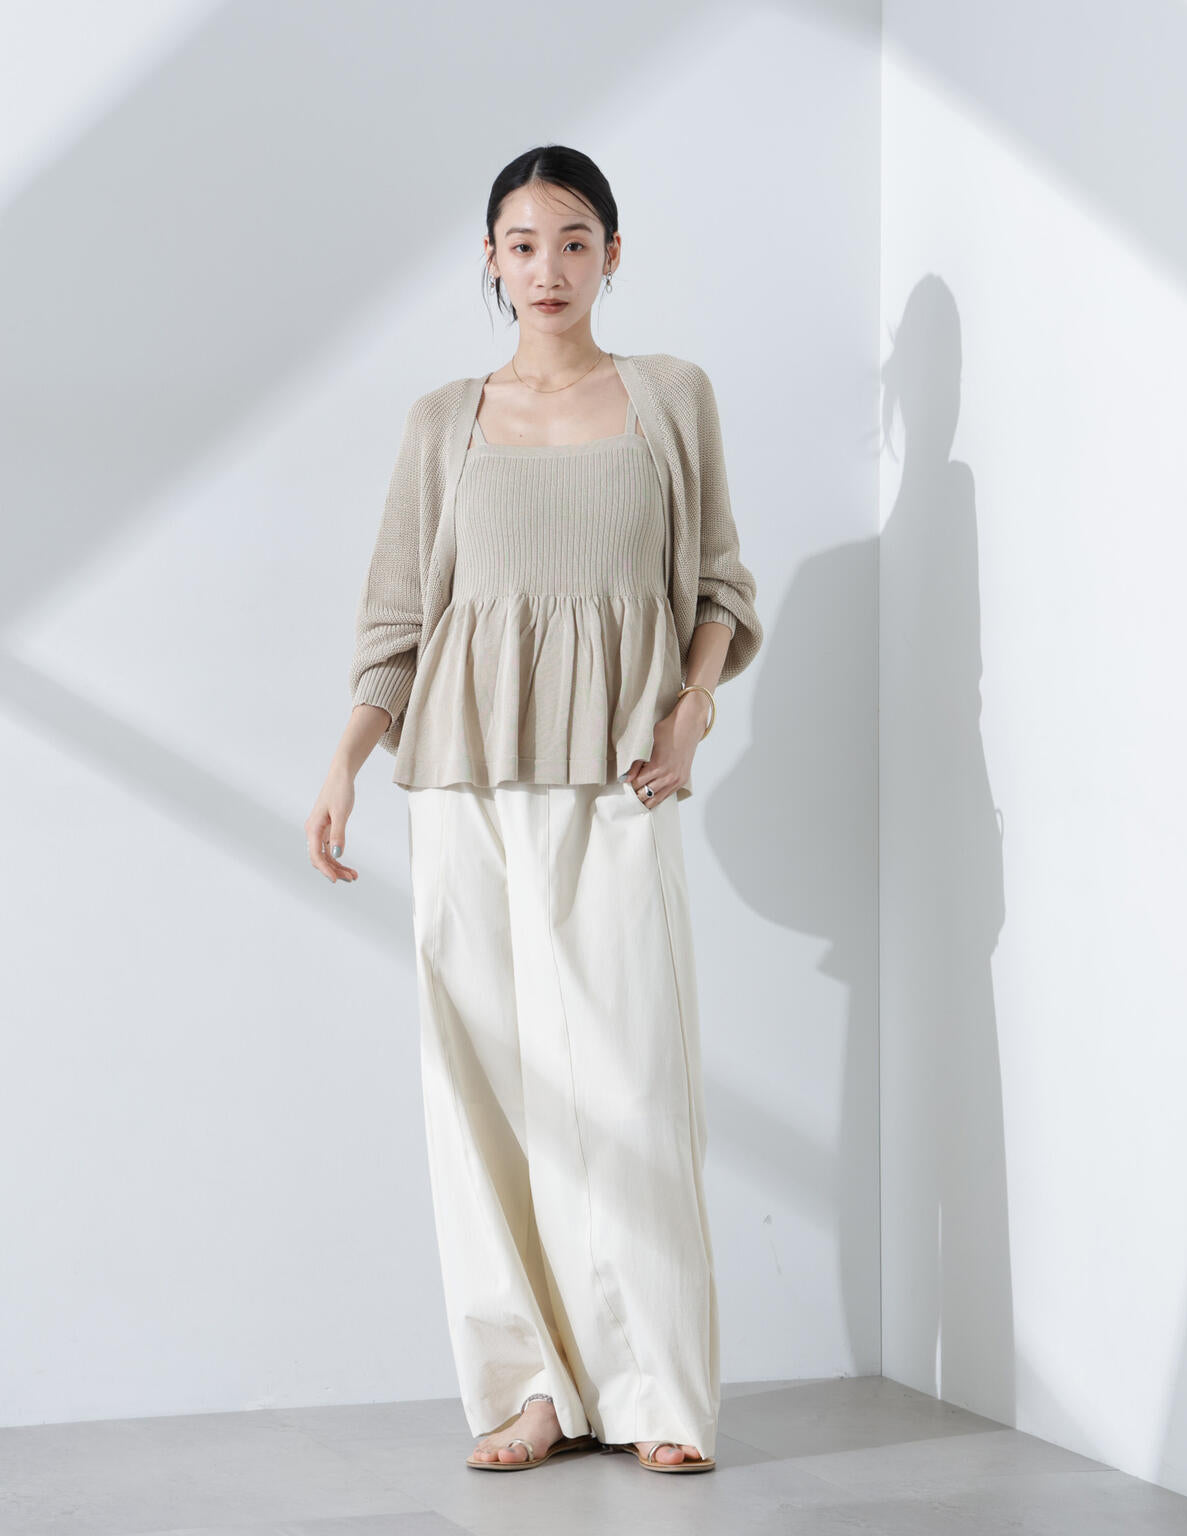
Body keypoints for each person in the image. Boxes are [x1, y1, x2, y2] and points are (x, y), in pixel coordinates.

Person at [305, 145, 764, 1475]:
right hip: (462, 778)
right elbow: (399, 617)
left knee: (628, 1074)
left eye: (573, 241)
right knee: (484, 1081)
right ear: (491, 262)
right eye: (521, 244)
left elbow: (719, 587)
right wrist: (347, 760)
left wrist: (693, 709)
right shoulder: (443, 420)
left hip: (620, 772)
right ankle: (530, 1389)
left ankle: (656, 1391)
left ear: (613, 254)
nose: (547, 269)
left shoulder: (670, 397)